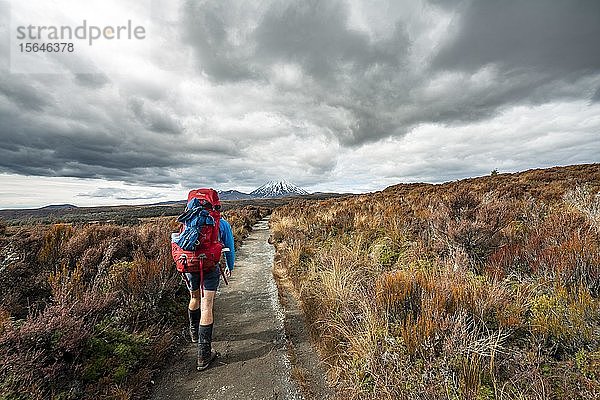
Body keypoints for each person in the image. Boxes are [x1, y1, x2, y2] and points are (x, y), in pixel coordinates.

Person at [184, 205, 235, 371]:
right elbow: (229, 246)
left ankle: (194, 334)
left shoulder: (188, 220)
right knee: (207, 306)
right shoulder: (221, 223)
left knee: (194, 298)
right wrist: (230, 265)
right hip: (209, 266)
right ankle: (203, 355)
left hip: (190, 265)